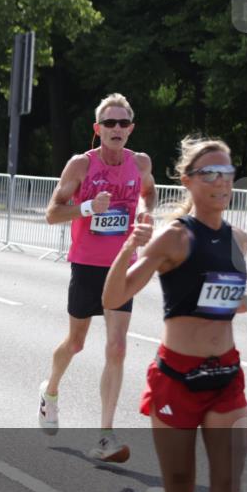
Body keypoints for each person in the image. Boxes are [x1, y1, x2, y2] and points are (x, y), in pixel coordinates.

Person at [99, 137, 247, 492]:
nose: (222, 182)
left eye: (227, 173)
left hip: (225, 380)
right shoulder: (174, 237)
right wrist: (129, 246)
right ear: (188, 181)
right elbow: (114, 297)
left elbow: (219, 304)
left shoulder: (239, 239)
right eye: (210, 174)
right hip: (176, 380)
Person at [39, 93, 156, 462]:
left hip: (122, 265)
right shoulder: (80, 165)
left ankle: (105, 436)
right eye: (109, 123)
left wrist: (145, 213)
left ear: (131, 128)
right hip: (87, 266)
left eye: (123, 123)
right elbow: (52, 214)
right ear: (98, 128)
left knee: (117, 347)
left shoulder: (140, 162)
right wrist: (88, 207)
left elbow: (149, 194)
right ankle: (50, 391)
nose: (116, 128)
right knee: (76, 343)